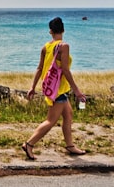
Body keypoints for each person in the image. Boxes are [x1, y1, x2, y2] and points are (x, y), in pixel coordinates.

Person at [21, 17, 88, 159]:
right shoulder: (64, 46)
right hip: (58, 89)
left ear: (50, 31)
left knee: (68, 115)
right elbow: (65, 69)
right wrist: (76, 90)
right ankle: (29, 144)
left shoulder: (46, 47)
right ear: (63, 30)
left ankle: (70, 146)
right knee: (51, 121)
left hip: (51, 87)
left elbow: (39, 68)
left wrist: (32, 87)